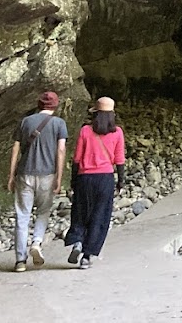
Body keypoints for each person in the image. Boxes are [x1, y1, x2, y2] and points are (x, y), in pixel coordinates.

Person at [7, 90, 67, 272]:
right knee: (43, 212)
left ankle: (20, 260)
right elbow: (61, 151)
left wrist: (11, 175)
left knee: (22, 216)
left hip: (25, 174)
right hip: (47, 175)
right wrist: (59, 176)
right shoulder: (59, 124)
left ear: (39, 105)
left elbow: (15, 149)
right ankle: (37, 242)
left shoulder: (26, 122)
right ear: (55, 106)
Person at [64, 97, 125, 269]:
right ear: (112, 114)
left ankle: (77, 241)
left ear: (95, 114)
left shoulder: (85, 131)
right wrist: (121, 182)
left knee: (81, 212)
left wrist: (73, 181)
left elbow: (77, 158)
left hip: (85, 178)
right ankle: (87, 257)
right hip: (105, 179)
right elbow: (120, 159)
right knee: (99, 217)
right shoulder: (118, 133)